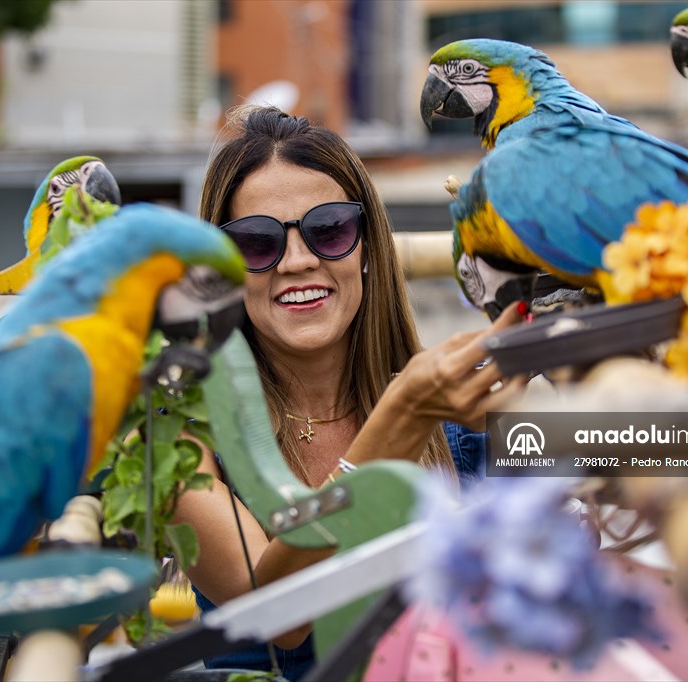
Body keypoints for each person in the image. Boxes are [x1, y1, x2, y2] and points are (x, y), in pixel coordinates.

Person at [173, 105, 525, 680]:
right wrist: (401, 420)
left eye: (329, 229)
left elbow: (674, 450)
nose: (299, 261)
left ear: (365, 248)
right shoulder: (185, 438)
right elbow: (280, 614)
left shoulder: (455, 415)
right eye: (258, 243)